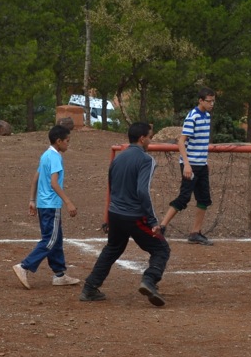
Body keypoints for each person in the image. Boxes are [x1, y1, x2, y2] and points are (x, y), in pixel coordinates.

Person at [81, 121, 172, 307]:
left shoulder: (118, 159)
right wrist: (153, 220)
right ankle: (149, 280)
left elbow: (111, 187)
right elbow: (142, 191)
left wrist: (108, 217)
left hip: (115, 213)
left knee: (112, 248)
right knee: (161, 249)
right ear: (142, 138)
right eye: (150, 137)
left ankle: (89, 288)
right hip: (134, 216)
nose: (150, 140)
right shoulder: (146, 160)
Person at [12, 125, 81, 289]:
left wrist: (32, 199)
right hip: (51, 205)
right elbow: (54, 183)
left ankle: (59, 275)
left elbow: (36, 178)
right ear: (59, 141)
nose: (68, 144)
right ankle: (24, 266)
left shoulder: (45, 155)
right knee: (50, 240)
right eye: (67, 141)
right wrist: (68, 202)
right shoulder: (55, 157)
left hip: (43, 204)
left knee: (56, 238)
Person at [160, 88, 216, 244]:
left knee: (204, 199)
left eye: (213, 101)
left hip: (201, 164)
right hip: (190, 164)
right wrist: (186, 164)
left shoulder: (207, 117)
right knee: (184, 197)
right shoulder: (193, 117)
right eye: (209, 101)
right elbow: (181, 142)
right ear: (200, 100)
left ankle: (195, 232)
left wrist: (205, 162)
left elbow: (201, 142)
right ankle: (162, 226)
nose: (211, 104)